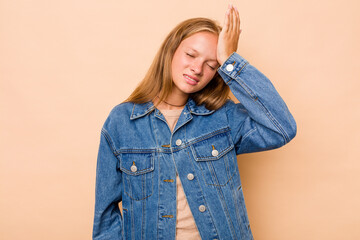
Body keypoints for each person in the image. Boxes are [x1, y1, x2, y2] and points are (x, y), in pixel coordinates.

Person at [92, 4, 296, 240]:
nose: (197, 69)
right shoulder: (121, 122)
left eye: (212, 65)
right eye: (191, 55)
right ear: (171, 50)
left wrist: (230, 61)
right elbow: (105, 220)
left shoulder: (223, 117)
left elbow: (282, 128)